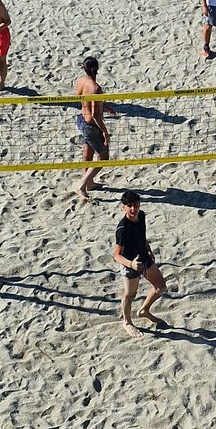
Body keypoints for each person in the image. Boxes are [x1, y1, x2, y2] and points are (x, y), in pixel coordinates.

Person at [113, 190, 167, 336]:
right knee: (130, 295)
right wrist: (131, 264)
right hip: (129, 264)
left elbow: (142, 235)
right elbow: (116, 255)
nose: (133, 209)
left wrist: (148, 249)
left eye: (135, 205)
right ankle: (127, 322)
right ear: (123, 207)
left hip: (144, 257)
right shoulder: (123, 229)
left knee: (161, 287)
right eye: (129, 205)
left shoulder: (141, 215)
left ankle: (144, 310)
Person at [74, 57, 109, 200]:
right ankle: (82, 185)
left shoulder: (81, 81)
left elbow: (81, 98)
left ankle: (89, 184)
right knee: (103, 157)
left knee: (87, 153)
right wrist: (105, 132)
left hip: (81, 120)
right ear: (97, 69)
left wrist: (104, 107)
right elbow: (95, 115)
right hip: (91, 126)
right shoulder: (96, 88)